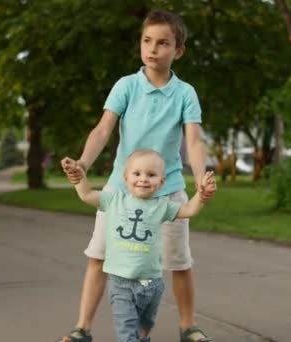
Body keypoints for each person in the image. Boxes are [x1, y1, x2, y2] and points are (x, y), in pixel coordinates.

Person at [59, 9, 216, 342]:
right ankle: (82, 328)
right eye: (147, 41)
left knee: (179, 262)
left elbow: (193, 140)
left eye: (163, 43)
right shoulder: (126, 86)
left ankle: (189, 327)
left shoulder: (185, 93)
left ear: (179, 50)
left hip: (167, 191)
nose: (153, 49)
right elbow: (103, 129)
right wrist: (84, 164)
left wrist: (201, 176)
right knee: (99, 256)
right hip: (120, 190)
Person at [66, 150, 216, 342]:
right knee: (127, 331)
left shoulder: (162, 206)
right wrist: (78, 177)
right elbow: (86, 194)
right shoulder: (114, 200)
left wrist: (201, 196)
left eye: (151, 175)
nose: (143, 179)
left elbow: (189, 210)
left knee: (145, 325)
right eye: (137, 174)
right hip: (121, 284)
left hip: (152, 284)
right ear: (126, 177)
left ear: (161, 182)